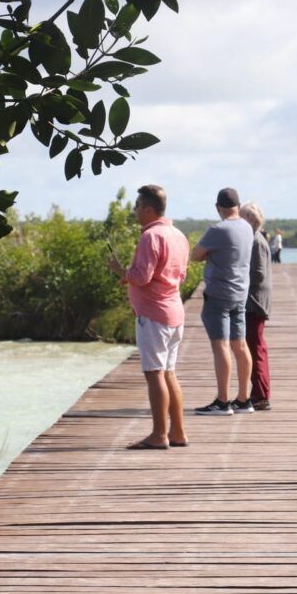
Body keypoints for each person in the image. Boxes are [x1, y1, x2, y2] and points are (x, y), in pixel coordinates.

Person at [107, 185, 191, 449]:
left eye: (137, 207)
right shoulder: (178, 235)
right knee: (169, 373)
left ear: (148, 209)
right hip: (174, 311)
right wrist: (131, 276)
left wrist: (122, 271)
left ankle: (159, 435)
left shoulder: (150, 237)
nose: (134, 212)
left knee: (155, 374)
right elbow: (180, 275)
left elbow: (142, 277)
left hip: (154, 314)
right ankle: (178, 432)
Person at [191, 188, 254, 416]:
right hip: (240, 293)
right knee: (241, 345)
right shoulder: (247, 227)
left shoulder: (217, 229)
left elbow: (195, 255)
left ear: (218, 207)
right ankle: (244, 399)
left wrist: (210, 255)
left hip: (218, 293)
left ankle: (223, 401)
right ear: (238, 206)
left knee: (221, 347)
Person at [240, 202, 272, 411]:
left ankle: (260, 395)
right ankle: (258, 392)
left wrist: (238, 279)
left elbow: (258, 274)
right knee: (255, 347)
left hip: (254, 303)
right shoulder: (255, 238)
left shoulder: (255, 241)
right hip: (254, 301)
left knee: (255, 348)